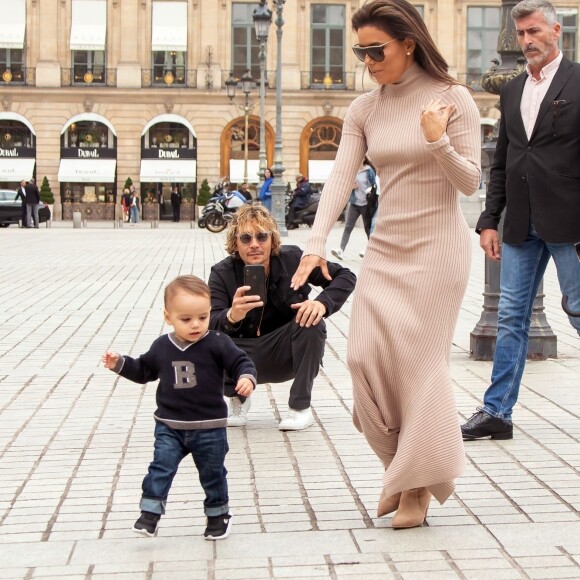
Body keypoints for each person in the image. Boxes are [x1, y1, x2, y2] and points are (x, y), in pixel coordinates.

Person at [291, 0, 481, 528]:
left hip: (439, 251)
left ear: (409, 44)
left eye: (377, 50)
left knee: (420, 367)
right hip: (385, 249)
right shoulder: (364, 109)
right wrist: (316, 243)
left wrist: (436, 139)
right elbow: (338, 179)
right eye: (361, 51)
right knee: (362, 361)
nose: (368, 61)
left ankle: (415, 489)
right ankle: (407, 467)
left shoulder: (453, 99)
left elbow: (470, 182)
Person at [461, 0, 580, 441]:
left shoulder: (578, 80)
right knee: (511, 317)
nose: (526, 41)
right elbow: (503, 163)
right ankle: (497, 412)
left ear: (556, 31)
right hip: (520, 223)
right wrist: (489, 220)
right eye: (521, 34)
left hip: (571, 222)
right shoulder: (511, 91)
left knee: (579, 310)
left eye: (533, 32)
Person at [102, 275, 257, 540]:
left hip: (209, 427)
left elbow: (241, 362)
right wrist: (120, 364)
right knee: (160, 467)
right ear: (168, 317)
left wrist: (246, 378)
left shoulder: (218, 342)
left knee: (213, 474)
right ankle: (149, 513)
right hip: (170, 426)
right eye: (186, 319)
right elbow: (143, 370)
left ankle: (218, 515)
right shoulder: (162, 346)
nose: (196, 325)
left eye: (203, 317)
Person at [208, 204, 356, 431]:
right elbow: (210, 322)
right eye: (246, 238)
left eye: (262, 236)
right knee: (202, 341)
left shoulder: (293, 260)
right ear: (235, 243)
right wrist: (231, 315)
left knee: (311, 322)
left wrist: (322, 303)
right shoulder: (222, 273)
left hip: (282, 352)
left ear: (272, 239)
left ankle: (299, 408)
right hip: (241, 356)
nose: (254, 244)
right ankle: (238, 397)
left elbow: (345, 276)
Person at [331, 158, 376, 260]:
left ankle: (371, 252)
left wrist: (370, 191)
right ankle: (341, 250)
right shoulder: (353, 171)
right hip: (354, 203)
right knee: (348, 227)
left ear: (363, 158)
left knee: (367, 228)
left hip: (366, 204)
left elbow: (375, 185)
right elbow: (345, 184)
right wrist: (350, 186)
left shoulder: (369, 171)